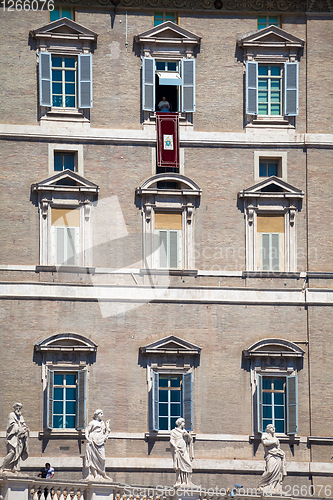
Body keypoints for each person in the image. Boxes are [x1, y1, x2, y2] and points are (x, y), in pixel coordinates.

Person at [257, 424, 287, 495]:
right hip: (270, 455)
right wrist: (273, 442)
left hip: (277, 456)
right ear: (268, 429)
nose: (273, 428)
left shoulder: (276, 438)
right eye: (271, 427)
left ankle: (274, 487)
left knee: (277, 473)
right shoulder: (265, 435)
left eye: (274, 427)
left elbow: (278, 448)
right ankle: (261, 484)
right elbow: (265, 443)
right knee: (270, 471)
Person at [0, 403, 29, 473]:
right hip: (12, 437)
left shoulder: (21, 417)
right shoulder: (11, 415)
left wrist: (25, 429)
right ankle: (3, 467)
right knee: (12, 452)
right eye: (17, 408)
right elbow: (11, 425)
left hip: (19, 438)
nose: (18, 410)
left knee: (17, 453)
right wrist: (19, 429)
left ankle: (15, 468)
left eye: (19, 408)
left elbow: (24, 425)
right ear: (15, 408)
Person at [84, 409, 111, 481]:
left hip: (100, 442)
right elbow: (87, 431)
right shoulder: (92, 423)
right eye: (101, 413)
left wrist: (107, 426)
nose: (102, 415)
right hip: (93, 441)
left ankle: (102, 473)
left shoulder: (102, 423)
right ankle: (95, 475)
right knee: (93, 458)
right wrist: (88, 439)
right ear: (97, 414)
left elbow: (105, 432)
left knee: (102, 458)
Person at [169, 417, 194, 487]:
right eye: (183, 422)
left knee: (188, 465)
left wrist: (187, 435)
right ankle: (180, 481)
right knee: (179, 467)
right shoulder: (174, 431)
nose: (184, 423)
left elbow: (190, 440)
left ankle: (188, 481)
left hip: (184, 450)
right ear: (180, 423)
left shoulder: (184, 431)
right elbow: (171, 440)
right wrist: (175, 446)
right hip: (178, 450)